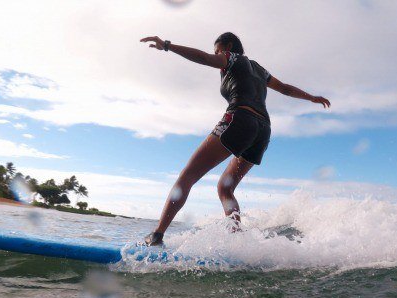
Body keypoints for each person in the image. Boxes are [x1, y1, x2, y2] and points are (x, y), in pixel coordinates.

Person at [140, 32, 330, 246]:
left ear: (229, 46)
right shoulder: (259, 69)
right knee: (225, 188)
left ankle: (157, 234)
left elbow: (204, 58)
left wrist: (167, 45)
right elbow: (284, 88)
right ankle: (237, 241)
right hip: (262, 130)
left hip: (240, 120)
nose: (217, 56)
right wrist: (312, 98)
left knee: (187, 177)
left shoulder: (232, 58)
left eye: (218, 50)